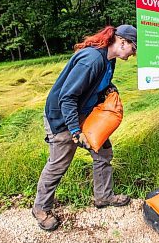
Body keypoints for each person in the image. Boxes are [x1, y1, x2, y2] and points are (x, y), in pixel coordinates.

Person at [32, 24, 137, 231]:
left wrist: (109, 89)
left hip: (84, 113)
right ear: (122, 42)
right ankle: (40, 208)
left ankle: (103, 196)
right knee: (59, 163)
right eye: (134, 49)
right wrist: (74, 131)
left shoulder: (109, 61)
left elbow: (98, 84)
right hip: (62, 117)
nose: (133, 54)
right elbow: (67, 97)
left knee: (103, 151)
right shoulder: (91, 60)